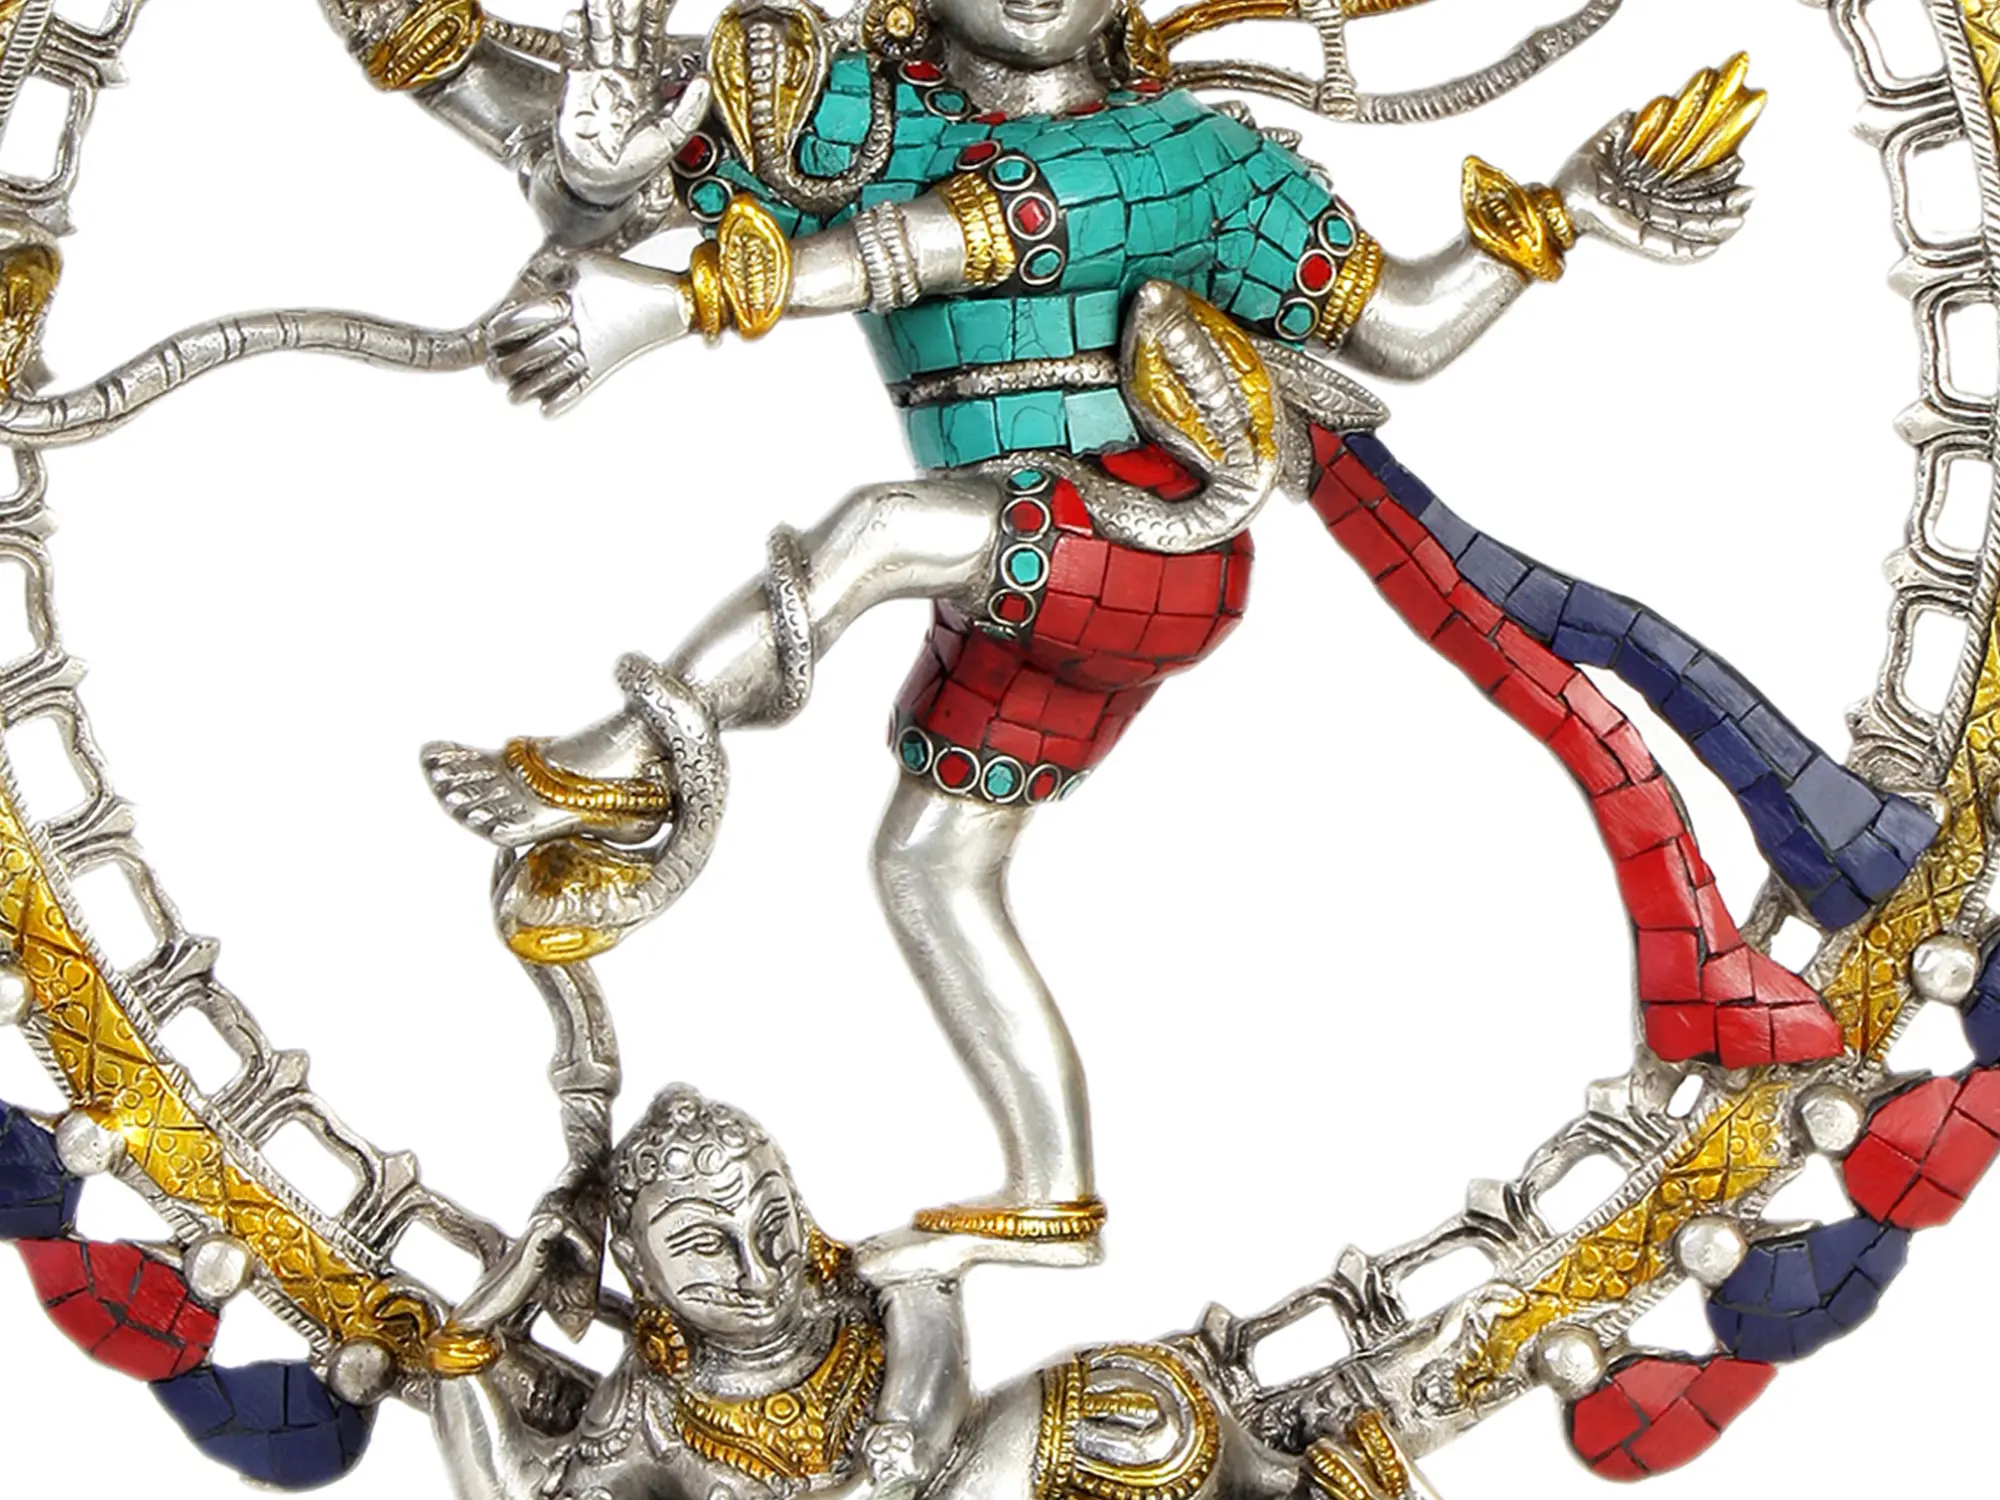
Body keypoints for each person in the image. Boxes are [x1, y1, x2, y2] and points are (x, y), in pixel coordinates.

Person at [403, 0, 1934, 1257]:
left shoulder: (1193, 161)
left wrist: (1563, 216)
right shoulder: (863, 119)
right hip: (1014, 570)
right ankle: (1047, 1188)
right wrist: (537, 133)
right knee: (930, 865)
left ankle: (634, 756)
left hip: (1145, 536)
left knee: (872, 532)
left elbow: (1390, 324)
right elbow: (598, 162)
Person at [430, 1084, 1436, 1500]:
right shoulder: (649, 1407)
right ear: (645, 1275)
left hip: (1000, 1476)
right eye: (703, 1249)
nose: (757, 1268)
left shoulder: (883, 1282)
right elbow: (523, 1493)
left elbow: (924, 1417)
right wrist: (482, 1322)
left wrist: (890, 1458)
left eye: (771, 1222)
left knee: (1131, 1407)